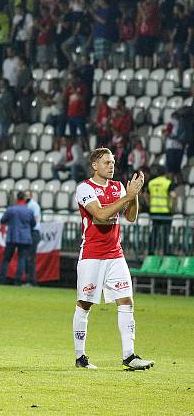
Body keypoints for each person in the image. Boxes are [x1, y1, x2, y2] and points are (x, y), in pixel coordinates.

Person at [73, 148, 154, 371]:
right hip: (91, 255)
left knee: (126, 301)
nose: (111, 165)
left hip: (115, 254)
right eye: (107, 162)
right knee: (85, 304)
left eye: (113, 162)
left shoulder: (119, 187)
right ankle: (80, 357)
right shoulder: (85, 189)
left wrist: (133, 195)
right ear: (95, 166)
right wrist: (127, 197)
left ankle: (129, 355)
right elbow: (99, 215)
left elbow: (130, 217)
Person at [0, 192, 36, 286]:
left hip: (12, 236)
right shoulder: (29, 211)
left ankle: (1, 280)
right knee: (21, 259)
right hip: (25, 237)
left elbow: (3, 220)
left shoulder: (11, 210)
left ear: (16, 199)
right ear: (24, 199)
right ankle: (17, 281)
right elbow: (33, 224)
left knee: (6, 258)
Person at [147, 167, 177, 255]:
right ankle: (166, 252)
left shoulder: (151, 183)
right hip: (165, 211)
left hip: (154, 211)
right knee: (165, 233)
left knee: (154, 232)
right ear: (165, 173)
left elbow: (146, 196)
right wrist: (172, 208)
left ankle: (150, 252)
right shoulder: (167, 183)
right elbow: (174, 196)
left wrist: (150, 206)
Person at [24, 190, 42, 286]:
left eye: (27, 195)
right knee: (29, 257)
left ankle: (31, 281)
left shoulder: (33, 205)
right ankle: (30, 280)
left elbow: (36, 219)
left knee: (30, 258)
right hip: (32, 232)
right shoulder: (30, 205)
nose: (26, 197)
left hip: (33, 232)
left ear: (31, 196)